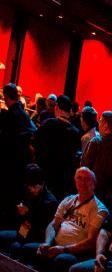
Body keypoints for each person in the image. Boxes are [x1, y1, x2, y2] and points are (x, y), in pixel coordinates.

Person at [11, 167, 109, 272]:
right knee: (27, 249)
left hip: (74, 252)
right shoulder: (68, 200)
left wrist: (63, 249)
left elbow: (90, 242)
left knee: (61, 260)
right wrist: (48, 242)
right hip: (55, 245)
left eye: (87, 179)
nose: (82, 182)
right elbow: (53, 224)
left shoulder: (99, 209)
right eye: (79, 178)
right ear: (74, 180)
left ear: (94, 183)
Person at [0, 83, 36, 228]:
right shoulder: (24, 114)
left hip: (9, 162)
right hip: (21, 163)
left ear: (6, 97)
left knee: (6, 195)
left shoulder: (10, 116)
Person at [0, 164, 59, 250]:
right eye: (30, 187)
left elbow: (44, 229)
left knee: (16, 247)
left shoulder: (50, 202)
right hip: (23, 232)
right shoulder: (28, 192)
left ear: (42, 183)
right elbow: (19, 221)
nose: (32, 189)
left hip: (36, 237)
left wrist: (27, 214)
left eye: (35, 187)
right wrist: (20, 213)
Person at [81, 112, 112, 214]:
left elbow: (83, 169)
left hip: (93, 200)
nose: (98, 124)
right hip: (111, 205)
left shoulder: (96, 142)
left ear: (105, 125)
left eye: (100, 121)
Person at [32, 94, 81, 197]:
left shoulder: (49, 124)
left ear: (57, 107)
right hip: (62, 180)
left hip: (44, 175)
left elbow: (33, 144)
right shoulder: (76, 133)